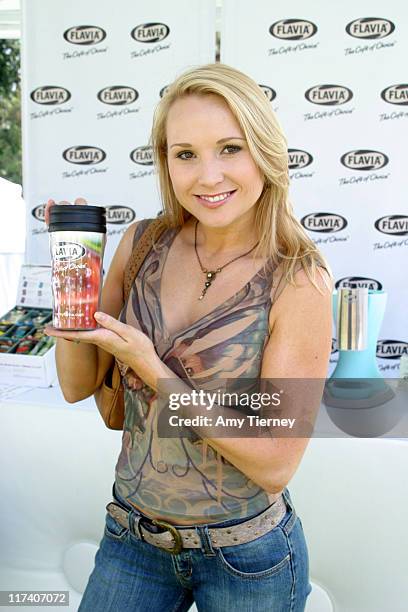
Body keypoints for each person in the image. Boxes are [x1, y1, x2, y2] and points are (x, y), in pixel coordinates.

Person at [45, 63, 332, 611]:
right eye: (185, 154)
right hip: (132, 542)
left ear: (265, 152)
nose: (208, 176)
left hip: (247, 559)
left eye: (230, 148)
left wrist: (154, 370)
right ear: (165, 163)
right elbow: (77, 386)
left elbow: (275, 461)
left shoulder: (298, 279)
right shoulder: (142, 244)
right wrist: (72, 298)